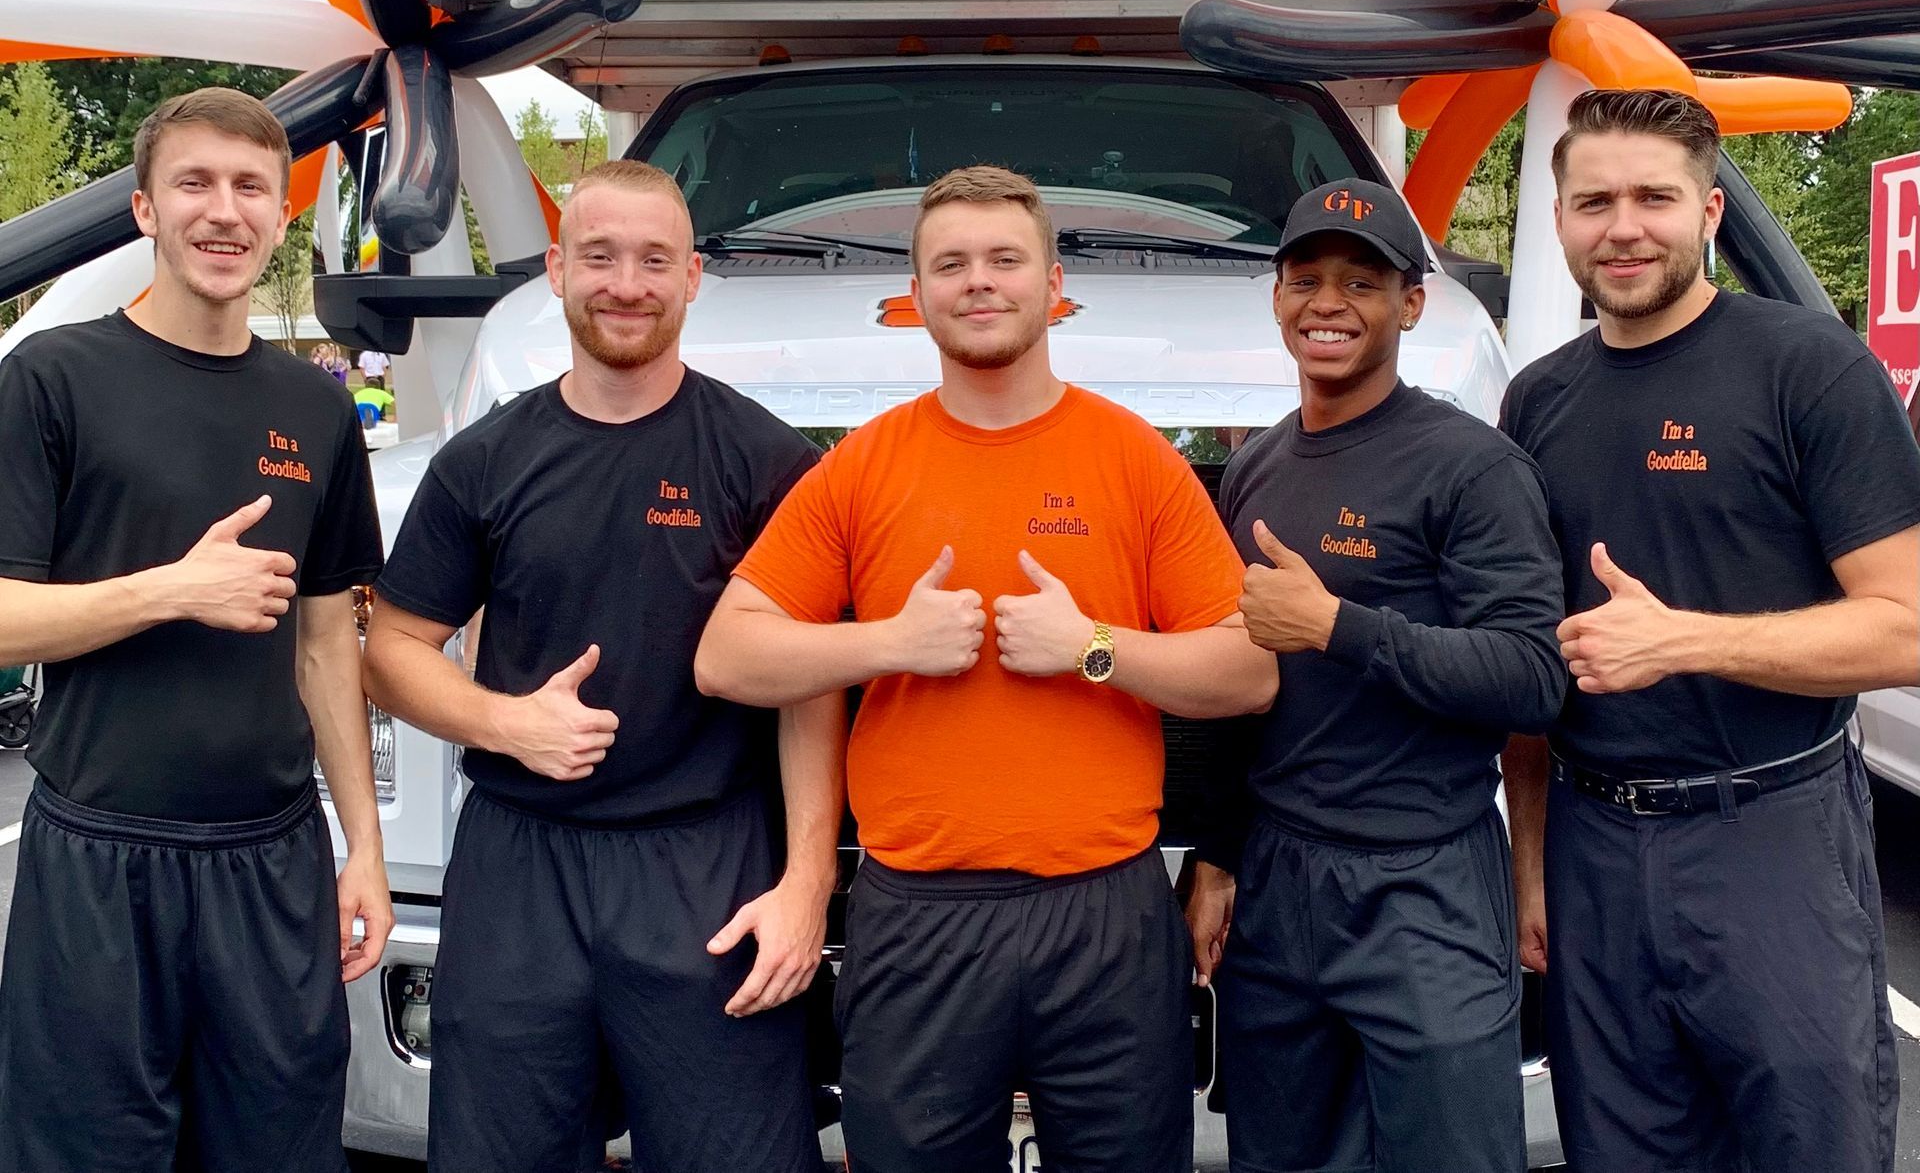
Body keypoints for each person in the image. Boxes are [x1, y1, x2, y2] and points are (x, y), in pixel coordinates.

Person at [696, 164, 1276, 1173]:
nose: (979, 283)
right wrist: (889, 644)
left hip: (1106, 912)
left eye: (1005, 260)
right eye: (950, 265)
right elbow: (727, 656)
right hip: (920, 917)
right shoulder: (864, 467)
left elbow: (1249, 673)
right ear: (912, 298)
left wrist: (1093, 648)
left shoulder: (1134, 459)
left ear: (1054, 286)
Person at [363, 160, 836, 1173]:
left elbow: (810, 688)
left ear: (693, 276)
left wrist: (805, 884)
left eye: (655, 260)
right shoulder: (484, 459)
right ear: (556, 270)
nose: (628, 283)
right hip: (520, 864)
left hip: (704, 865)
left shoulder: (765, 462)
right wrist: (506, 722)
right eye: (601, 257)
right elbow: (392, 651)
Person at [1500, 87, 1920, 1173]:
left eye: (1655, 196)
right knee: (1619, 1147)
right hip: (1594, 845)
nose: (1624, 226)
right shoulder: (1537, 401)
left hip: (1769, 834)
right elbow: (1539, 658)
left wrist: (1685, 640)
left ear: (1711, 214)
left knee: (1808, 1144)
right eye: (1595, 201)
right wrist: (1533, 865)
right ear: (1558, 221)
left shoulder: (1809, 368)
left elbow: (1908, 627)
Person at [0, 87, 391, 1173]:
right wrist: (172, 590)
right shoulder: (51, 379)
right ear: (143, 211)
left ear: (279, 217)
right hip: (100, 860)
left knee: (278, 1148)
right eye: (195, 184)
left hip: (269, 861)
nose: (224, 212)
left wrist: (361, 844)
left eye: (251, 188)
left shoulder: (316, 406)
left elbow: (326, 649)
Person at [1187, 179, 1564, 1173]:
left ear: (1410, 304)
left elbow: (1532, 677)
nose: (1327, 304)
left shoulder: (1471, 468)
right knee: (1279, 1154)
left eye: (1361, 283)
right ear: (1275, 297)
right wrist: (1220, 855)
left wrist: (1338, 627)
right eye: (1304, 279)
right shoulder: (1261, 465)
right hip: (1278, 882)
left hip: (1421, 880)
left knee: (1452, 1156)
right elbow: (1243, 681)